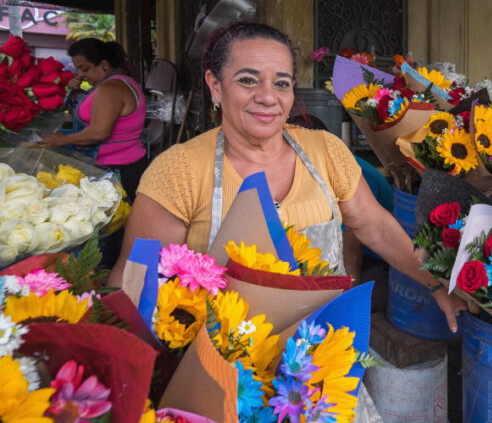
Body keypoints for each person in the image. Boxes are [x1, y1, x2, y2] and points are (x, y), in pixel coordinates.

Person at [107, 22, 465, 332]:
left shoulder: (325, 150)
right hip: (220, 368)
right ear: (215, 86)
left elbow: (377, 228)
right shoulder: (179, 171)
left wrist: (436, 285)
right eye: (248, 80)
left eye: (281, 84)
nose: (267, 97)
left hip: (323, 359)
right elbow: (132, 282)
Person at [286, 113, 394, 281]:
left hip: (376, 263)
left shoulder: (351, 174)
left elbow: (352, 256)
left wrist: (347, 300)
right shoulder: (303, 169)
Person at [40, 39, 148, 200]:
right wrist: (73, 93)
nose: (81, 75)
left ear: (103, 65)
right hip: (127, 163)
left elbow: (98, 133)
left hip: (119, 169)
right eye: (78, 69)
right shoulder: (118, 83)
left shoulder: (110, 89)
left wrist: (64, 139)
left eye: (85, 69)